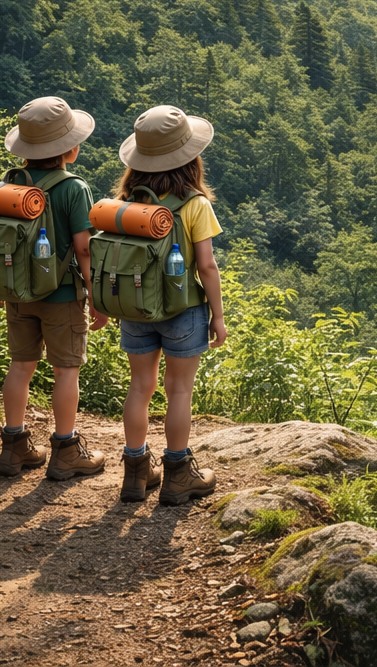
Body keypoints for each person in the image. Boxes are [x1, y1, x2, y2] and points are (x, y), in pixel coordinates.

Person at [113, 105, 227, 505]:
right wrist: (218, 317)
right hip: (183, 310)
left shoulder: (127, 201)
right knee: (179, 390)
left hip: (135, 309)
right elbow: (208, 266)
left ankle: (135, 473)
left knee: (140, 387)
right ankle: (178, 474)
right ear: (190, 158)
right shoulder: (194, 204)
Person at [0, 97, 111, 480]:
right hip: (61, 295)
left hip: (18, 293)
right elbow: (83, 247)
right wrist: (97, 297)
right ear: (70, 149)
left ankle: (13, 450)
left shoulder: (12, 182)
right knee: (66, 371)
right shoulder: (73, 188)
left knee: (20, 366)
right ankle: (65, 451)